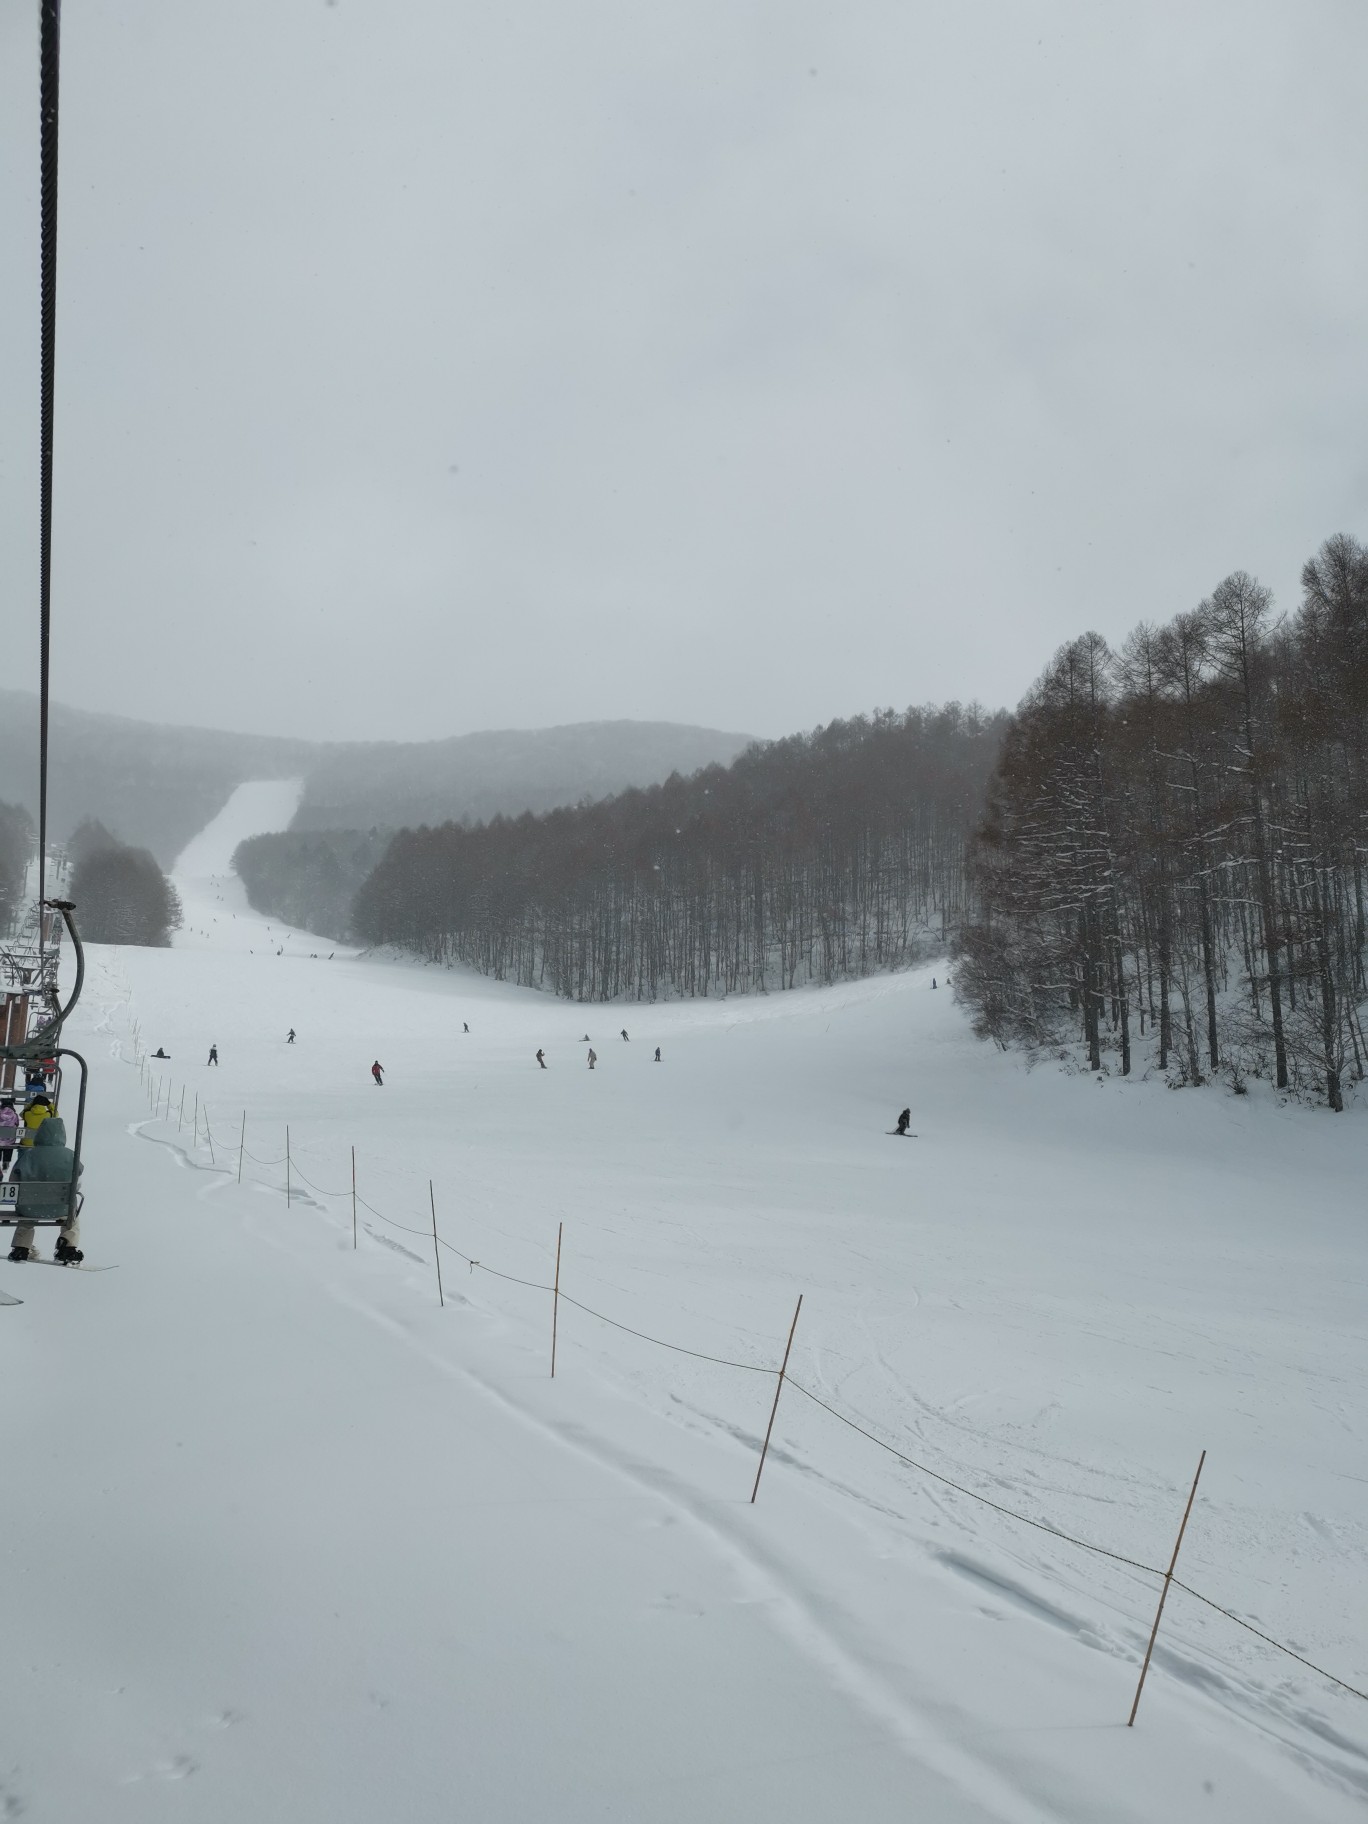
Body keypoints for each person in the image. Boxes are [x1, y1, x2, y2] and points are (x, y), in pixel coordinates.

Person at [8, 1113, 83, 1263]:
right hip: (61, 1208)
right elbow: (78, 1176)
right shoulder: (70, 1156)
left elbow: (13, 1180)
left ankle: (21, 1247)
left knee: (26, 1217)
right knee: (72, 1218)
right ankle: (67, 1246)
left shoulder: (29, 1155)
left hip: (30, 1207)